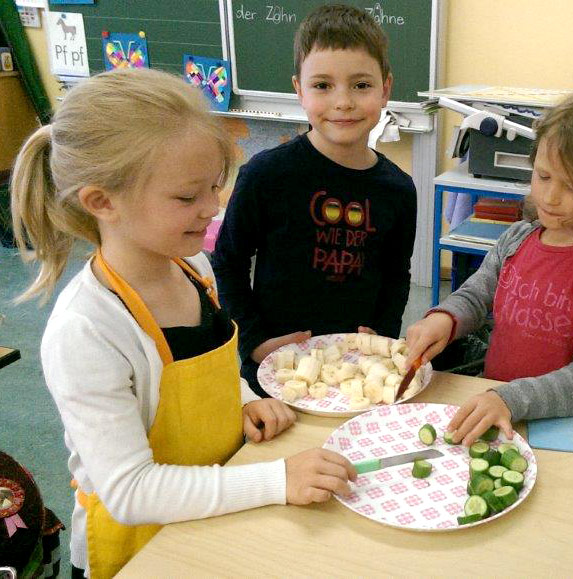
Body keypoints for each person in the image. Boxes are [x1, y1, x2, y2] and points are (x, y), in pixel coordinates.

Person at [10, 67, 356, 578]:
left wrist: (243, 400)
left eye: (214, 188)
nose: (213, 209)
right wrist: (276, 480)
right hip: (142, 548)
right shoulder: (86, 329)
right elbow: (130, 491)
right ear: (102, 202)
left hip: (215, 513)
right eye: (186, 197)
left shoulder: (192, 267)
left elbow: (205, 366)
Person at [405, 86, 573, 446]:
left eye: (572, 186)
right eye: (543, 176)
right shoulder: (517, 238)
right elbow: (476, 296)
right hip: (496, 410)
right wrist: (444, 318)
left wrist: (510, 399)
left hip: (564, 429)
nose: (550, 197)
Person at [211, 4, 417, 397]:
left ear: (386, 89)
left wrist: (384, 335)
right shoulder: (266, 175)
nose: (343, 102)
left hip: (357, 370)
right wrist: (253, 340)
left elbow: (396, 274)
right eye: (323, 85)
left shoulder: (398, 189)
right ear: (299, 90)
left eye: (361, 85)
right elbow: (228, 261)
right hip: (278, 368)